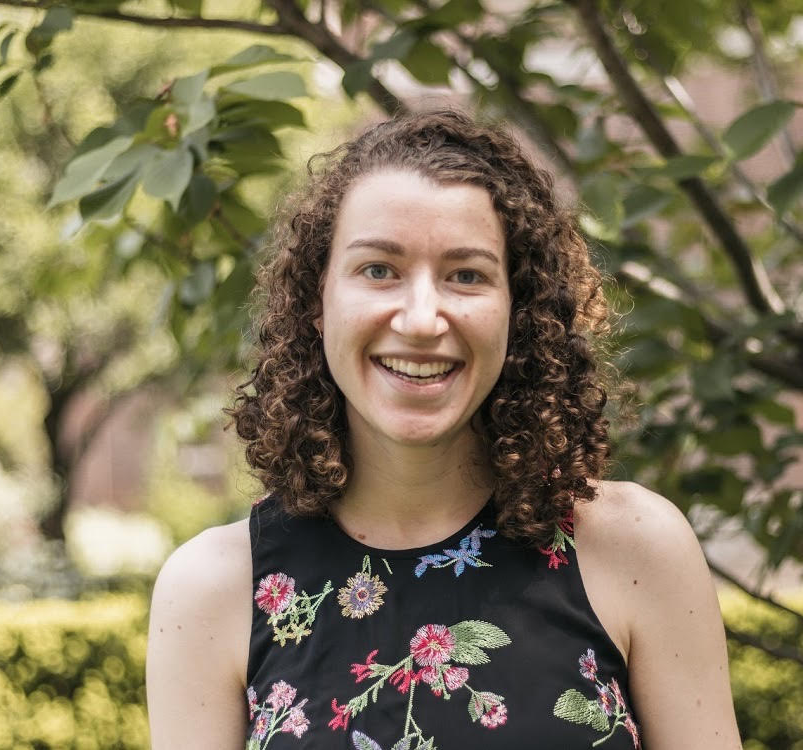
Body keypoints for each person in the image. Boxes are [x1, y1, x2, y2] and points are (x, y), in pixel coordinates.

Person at [146, 109, 742, 749]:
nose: (423, 319)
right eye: (379, 269)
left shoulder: (634, 551)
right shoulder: (211, 593)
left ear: (520, 311)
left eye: (467, 275)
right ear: (318, 302)